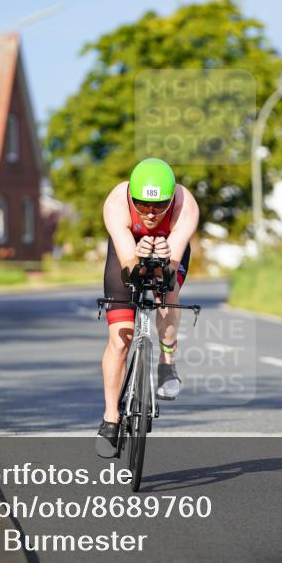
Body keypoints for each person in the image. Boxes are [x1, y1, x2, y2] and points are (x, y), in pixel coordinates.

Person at [96, 158, 199, 458]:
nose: (150, 214)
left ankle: (167, 363)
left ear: (170, 199)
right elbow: (129, 268)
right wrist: (136, 258)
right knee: (120, 338)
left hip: (169, 250)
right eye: (142, 205)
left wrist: (165, 262)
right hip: (127, 250)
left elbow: (170, 271)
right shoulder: (116, 202)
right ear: (131, 197)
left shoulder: (186, 206)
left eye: (158, 206)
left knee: (168, 291)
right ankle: (111, 419)